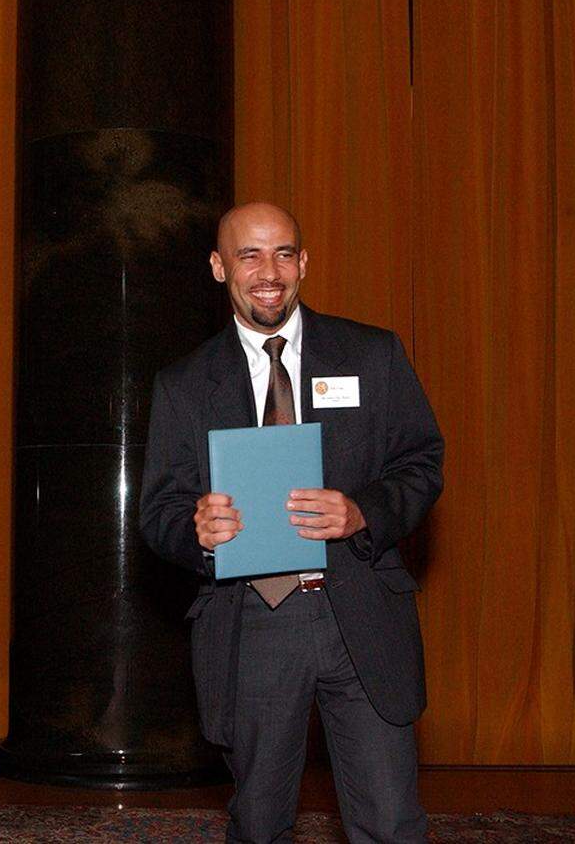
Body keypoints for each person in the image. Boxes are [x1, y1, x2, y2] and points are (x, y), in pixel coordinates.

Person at [140, 202, 443, 843]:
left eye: (283, 253)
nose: (268, 271)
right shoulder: (184, 385)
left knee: (391, 822)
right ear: (220, 267)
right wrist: (195, 530)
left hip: (360, 612)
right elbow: (159, 512)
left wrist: (364, 510)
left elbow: (422, 463)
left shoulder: (372, 354)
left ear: (303, 263)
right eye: (249, 255)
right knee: (259, 825)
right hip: (253, 625)